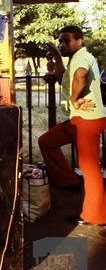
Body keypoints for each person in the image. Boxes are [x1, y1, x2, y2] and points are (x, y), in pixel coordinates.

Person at [38, 25, 106, 226]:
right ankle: (69, 182)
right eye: (60, 41)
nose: (63, 44)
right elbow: (63, 79)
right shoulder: (74, 59)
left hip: (87, 120)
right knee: (47, 141)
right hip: (76, 120)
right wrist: (58, 56)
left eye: (66, 40)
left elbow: (80, 76)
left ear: (79, 41)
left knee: (90, 167)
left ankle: (95, 216)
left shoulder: (83, 58)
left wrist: (75, 100)